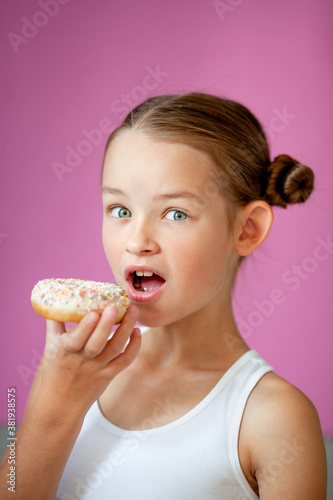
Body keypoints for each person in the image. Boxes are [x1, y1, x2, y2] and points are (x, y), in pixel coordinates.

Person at [0, 93, 327, 499]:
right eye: (119, 209)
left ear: (247, 230)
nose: (136, 242)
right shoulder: (75, 374)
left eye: (175, 213)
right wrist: (51, 409)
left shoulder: (272, 419)